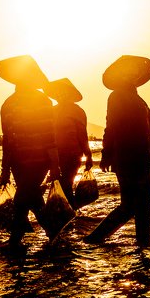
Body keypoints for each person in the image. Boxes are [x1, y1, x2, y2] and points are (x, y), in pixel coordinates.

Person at [86, 55, 150, 248]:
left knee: (143, 206)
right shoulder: (117, 96)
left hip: (143, 157)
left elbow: (146, 132)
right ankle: (95, 239)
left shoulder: (139, 99)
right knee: (130, 205)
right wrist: (106, 154)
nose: (133, 74)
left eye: (135, 71)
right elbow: (111, 126)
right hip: (126, 156)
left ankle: (143, 244)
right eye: (128, 71)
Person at [0, 55, 61, 247]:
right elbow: (10, 139)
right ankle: (52, 236)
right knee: (31, 198)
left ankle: (16, 241)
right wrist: (5, 170)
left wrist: (5, 169)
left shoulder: (12, 103)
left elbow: (48, 134)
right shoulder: (37, 101)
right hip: (28, 161)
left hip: (31, 161)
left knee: (23, 198)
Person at [46, 78, 94, 208]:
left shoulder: (77, 111)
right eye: (57, 92)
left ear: (69, 93)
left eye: (63, 91)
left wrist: (88, 155)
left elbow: (82, 135)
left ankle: (70, 212)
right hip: (54, 156)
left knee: (66, 185)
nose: (60, 94)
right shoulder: (51, 110)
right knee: (59, 186)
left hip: (72, 155)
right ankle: (68, 213)